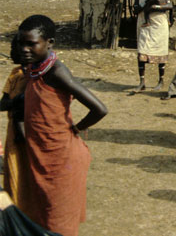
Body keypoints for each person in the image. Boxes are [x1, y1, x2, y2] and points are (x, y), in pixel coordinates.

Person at [18, 15, 108, 236]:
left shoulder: (56, 72)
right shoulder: (33, 69)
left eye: (32, 43)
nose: (25, 49)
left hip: (60, 159)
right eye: (22, 43)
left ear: (50, 43)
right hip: (41, 155)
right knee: (42, 218)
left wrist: (76, 128)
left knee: (58, 223)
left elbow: (100, 109)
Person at [130, 0, 173, 94]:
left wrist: (158, 5)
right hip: (144, 21)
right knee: (142, 50)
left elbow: (169, 6)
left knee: (161, 51)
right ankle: (142, 82)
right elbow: (136, 9)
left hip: (159, 23)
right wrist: (149, 2)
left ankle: (161, 81)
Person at [1, 35, 30, 210]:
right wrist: (17, 100)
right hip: (14, 130)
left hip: (32, 130)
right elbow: (2, 103)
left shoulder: (39, 76)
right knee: (14, 171)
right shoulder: (15, 74)